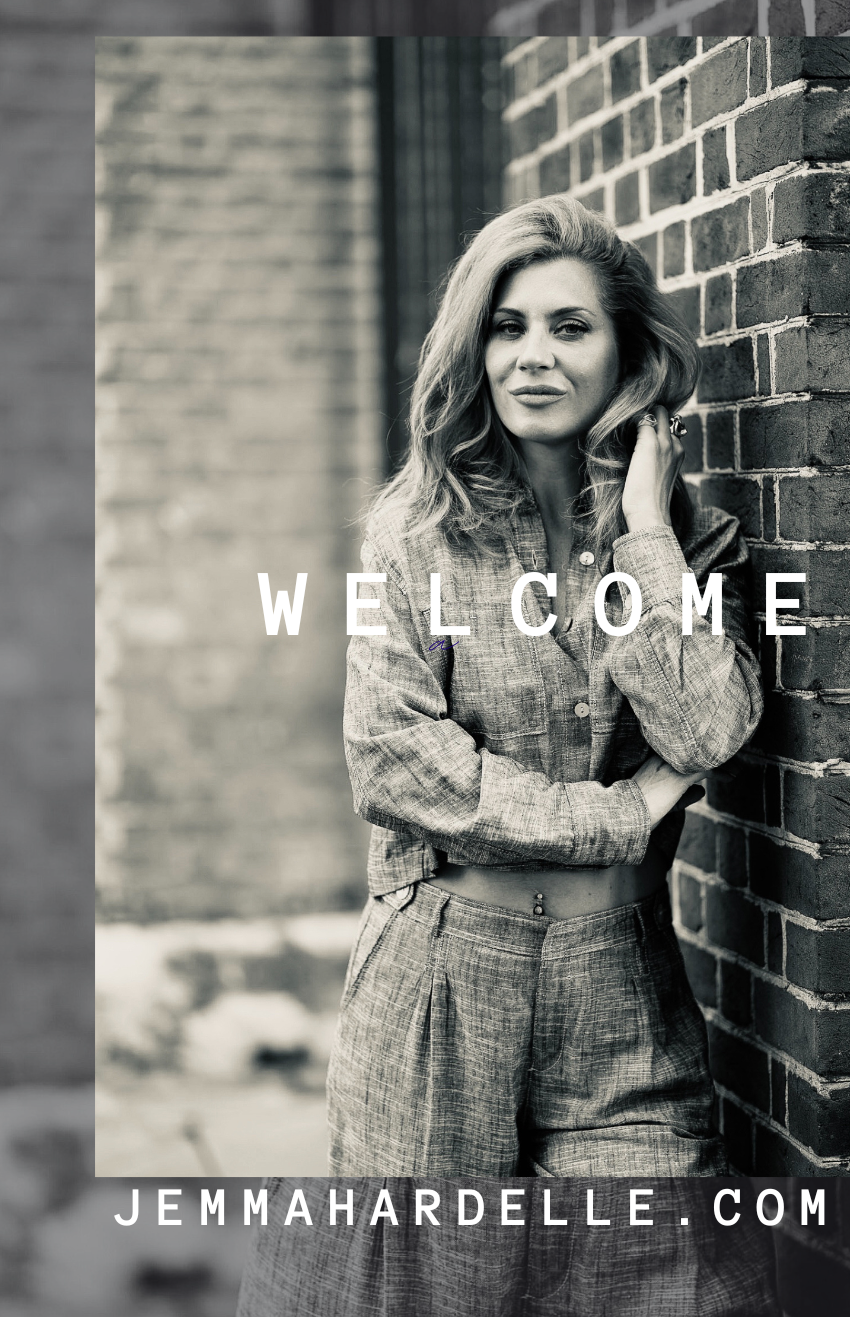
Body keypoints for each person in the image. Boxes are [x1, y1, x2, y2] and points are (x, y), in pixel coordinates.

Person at [326, 195, 763, 1177]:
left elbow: (705, 729)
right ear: (475, 352)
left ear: (627, 354)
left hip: (623, 995)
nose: (533, 355)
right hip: (437, 990)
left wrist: (646, 531)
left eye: (570, 327)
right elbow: (393, 763)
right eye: (507, 328)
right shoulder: (409, 537)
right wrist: (619, 814)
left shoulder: (691, 547)